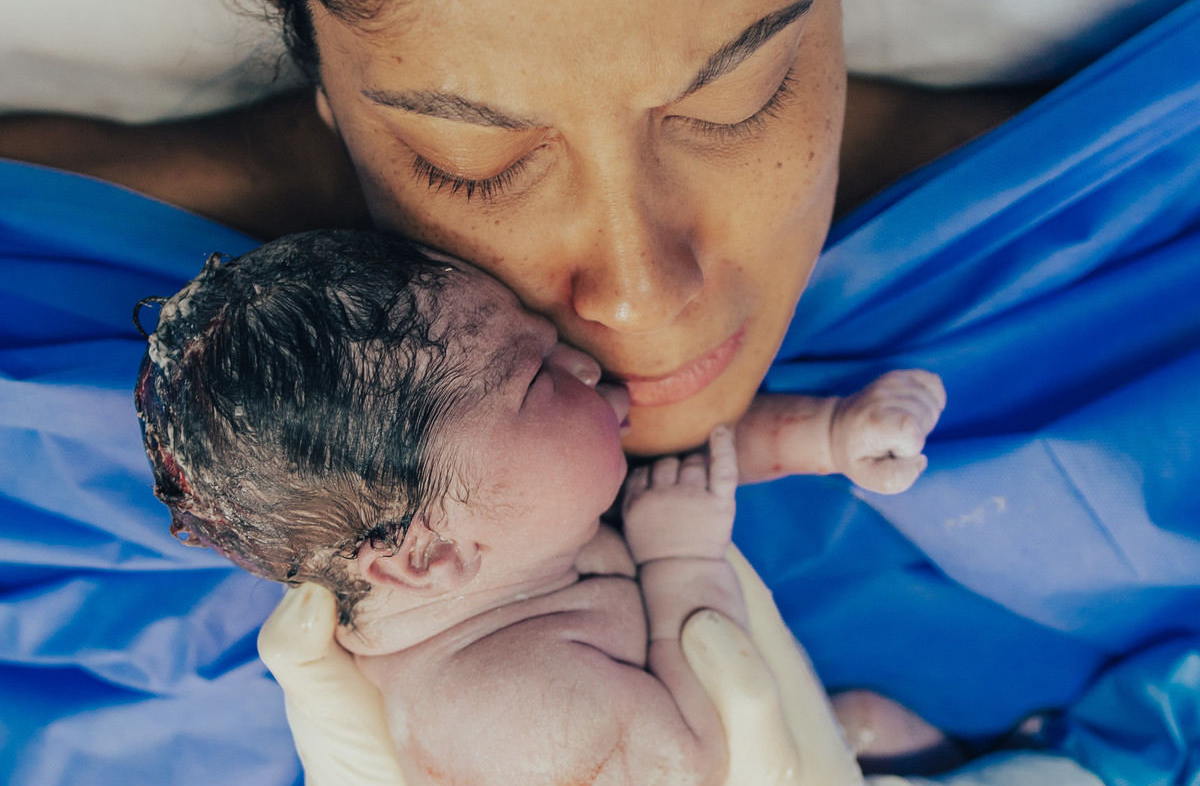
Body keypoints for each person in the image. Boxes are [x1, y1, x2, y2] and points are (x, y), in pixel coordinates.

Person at [3, 0, 1200, 784]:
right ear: (325, 84)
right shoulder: (39, 341)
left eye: (740, 96)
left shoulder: (1153, 236)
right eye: (471, 159)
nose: (637, 299)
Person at [134, 228, 947, 783]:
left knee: (880, 722)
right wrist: (681, 565)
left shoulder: (492, 526)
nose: (585, 364)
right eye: (534, 377)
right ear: (428, 556)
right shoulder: (512, 716)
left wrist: (834, 434)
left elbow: (684, 467)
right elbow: (704, 762)